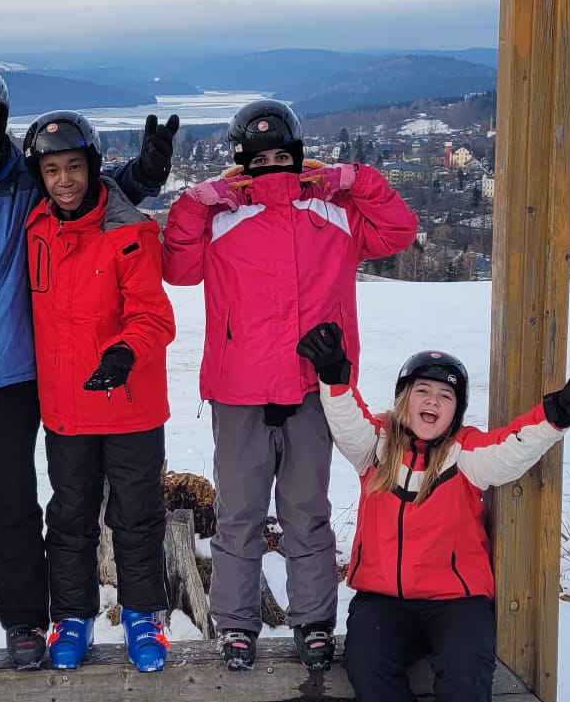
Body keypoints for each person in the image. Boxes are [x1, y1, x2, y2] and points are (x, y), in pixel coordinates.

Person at [0, 60, 178, 676]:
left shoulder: (25, 179)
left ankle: (24, 617)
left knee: (17, 501)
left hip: (19, 372)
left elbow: (86, 187)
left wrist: (145, 174)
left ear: (0, 118)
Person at [297, 321, 570, 702]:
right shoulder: (376, 447)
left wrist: (558, 413)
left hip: (456, 601)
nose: (433, 402)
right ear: (403, 399)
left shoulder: (466, 454)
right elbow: (347, 417)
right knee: (366, 661)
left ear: (456, 411)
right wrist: (334, 374)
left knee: (467, 666)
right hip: (383, 600)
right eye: (422, 390)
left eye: (445, 396)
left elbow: (511, 447)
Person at [161, 99, 417, 672]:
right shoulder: (221, 216)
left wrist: (354, 178)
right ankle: (235, 624)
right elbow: (177, 268)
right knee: (239, 515)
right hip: (240, 389)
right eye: (259, 160)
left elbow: (399, 229)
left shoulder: (334, 212)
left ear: (300, 156)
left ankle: (315, 622)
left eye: (283, 156)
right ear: (241, 162)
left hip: (313, 388)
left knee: (307, 511)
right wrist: (196, 201)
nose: (272, 168)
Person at [21, 111, 176, 672]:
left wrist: (124, 353)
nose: (64, 180)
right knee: (70, 516)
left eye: (74, 167)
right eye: (52, 170)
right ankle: (72, 615)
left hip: (129, 405)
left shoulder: (130, 232)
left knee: (137, 516)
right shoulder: (35, 226)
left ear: (92, 167)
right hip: (66, 407)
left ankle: (142, 614)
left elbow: (155, 317)